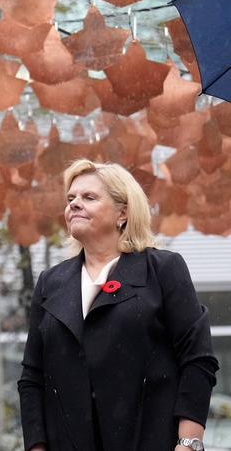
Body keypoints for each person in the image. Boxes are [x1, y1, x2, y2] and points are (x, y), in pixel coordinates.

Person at [18, 159, 219, 451]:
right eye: (70, 198)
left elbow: (198, 359)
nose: (74, 204)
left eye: (89, 197)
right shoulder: (51, 282)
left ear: (122, 212)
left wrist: (188, 444)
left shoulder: (162, 269)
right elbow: (32, 377)